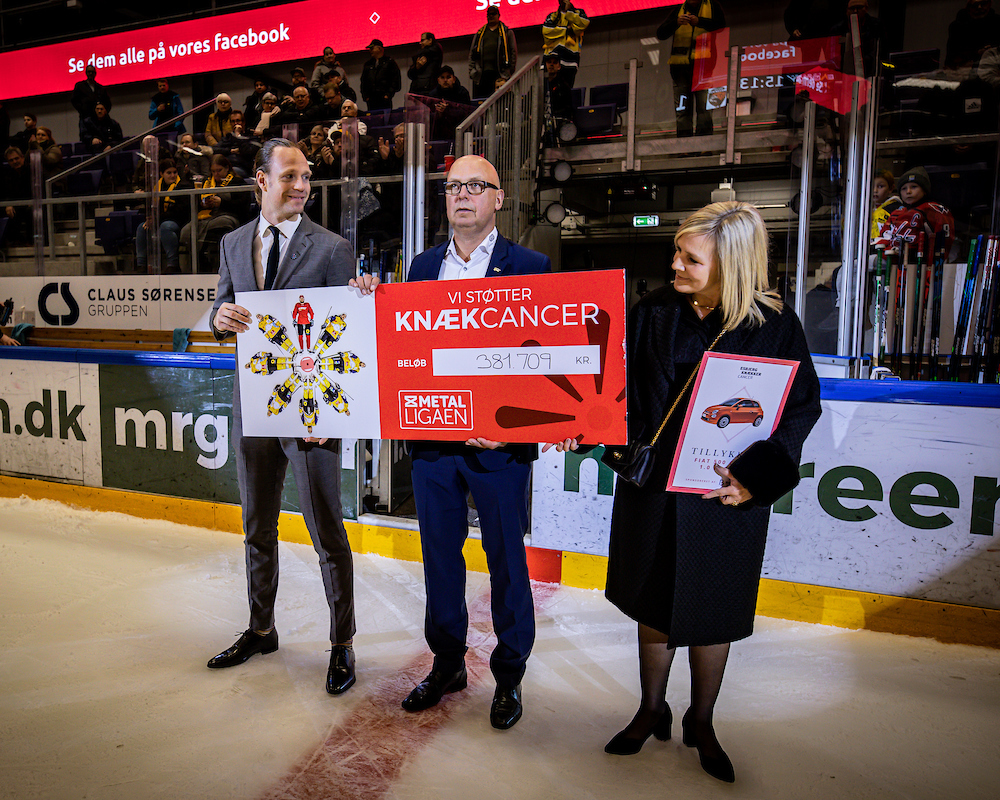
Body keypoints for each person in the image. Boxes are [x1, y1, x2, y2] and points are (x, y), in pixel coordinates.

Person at [550, 202, 820, 783]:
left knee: (713, 611)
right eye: (676, 251)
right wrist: (581, 426)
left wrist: (757, 479)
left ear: (733, 264)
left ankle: (703, 720)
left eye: (689, 258)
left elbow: (801, 409)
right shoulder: (652, 312)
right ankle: (651, 709)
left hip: (727, 498)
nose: (674, 263)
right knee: (653, 602)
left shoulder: (776, 327)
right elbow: (611, 389)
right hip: (655, 490)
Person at [206, 137, 377, 695]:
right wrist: (220, 318)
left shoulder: (332, 248)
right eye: (290, 177)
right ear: (261, 180)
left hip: (310, 415)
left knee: (326, 529)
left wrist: (364, 296)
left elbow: (350, 325)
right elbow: (221, 304)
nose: (302, 186)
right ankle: (261, 628)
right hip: (253, 407)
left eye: (306, 177)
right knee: (257, 525)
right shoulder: (233, 242)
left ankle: (342, 644)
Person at [399, 154, 551, 731]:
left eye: (475, 186)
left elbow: (546, 365)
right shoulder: (420, 267)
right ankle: (447, 663)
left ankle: (509, 674)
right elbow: (403, 349)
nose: (462, 194)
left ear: (498, 198)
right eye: (453, 186)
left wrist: (517, 428)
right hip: (433, 442)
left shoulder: (531, 267)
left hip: (498, 448)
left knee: (507, 562)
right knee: (440, 560)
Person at [657, 0, 726, 137]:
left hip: (704, 69)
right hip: (680, 70)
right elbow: (660, 33)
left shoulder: (712, 6)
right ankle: (684, 147)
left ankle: (704, 146)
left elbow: (721, 26)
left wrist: (699, 21)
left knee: (705, 109)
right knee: (682, 110)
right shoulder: (678, 10)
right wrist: (676, 23)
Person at [180, 154, 243, 272]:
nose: (216, 174)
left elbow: (242, 206)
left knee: (219, 223)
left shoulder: (237, 181)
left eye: (219, 170)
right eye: (213, 171)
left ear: (227, 168)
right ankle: (197, 262)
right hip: (206, 216)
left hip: (228, 215)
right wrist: (203, 204)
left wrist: (222, 203)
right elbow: (195, 204)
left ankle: (206, 262)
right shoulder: (207, 183)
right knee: (186, 230)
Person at [872, 166, 955, 255]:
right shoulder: (897, 213)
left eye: (914, 187)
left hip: (922, 262)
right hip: (894, 259)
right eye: (904, 188)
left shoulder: (934, 211)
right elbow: (885, 238)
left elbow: (943, 243)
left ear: (924, 190)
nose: (908, 191)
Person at [135, 159, 190, 272]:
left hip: (177, 221)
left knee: (166, 227)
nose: (173, 175)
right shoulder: (156, 187)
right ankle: (141, 265)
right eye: (169, 173)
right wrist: (149, 218)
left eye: (174, 172)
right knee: (142, 228)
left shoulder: (182, 185)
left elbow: (180, 212)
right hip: (160, 220)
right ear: (161, 174)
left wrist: (156, 219)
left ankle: (172, 264)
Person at [469, 7, 517, 98]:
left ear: (498, 15)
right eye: (489, 14)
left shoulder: (506, 33)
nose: (491, 16)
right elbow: (472, 54)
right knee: (482, 102)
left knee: (500, 101)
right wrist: (472, 71)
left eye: (493, 14)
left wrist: (509, 71)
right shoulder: (480, 33)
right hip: (482, 74)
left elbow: (513, 52)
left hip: (500, 73)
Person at [946, 0, 1000, 69]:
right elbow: (952, 57)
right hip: (966, 69)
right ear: (968, 7)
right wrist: (976, 53)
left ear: (989, 4)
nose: (979, 7)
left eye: (983, 4)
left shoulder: (997, 21)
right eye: (975, 5)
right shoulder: (957, 26)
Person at [541, 0, 590, 81]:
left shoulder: (579, 13)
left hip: (570, 60)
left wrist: (569, 12)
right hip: (550, 60)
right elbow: (546, 31)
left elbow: (582, 25)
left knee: (565, 90)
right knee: (546, 90)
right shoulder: (552, 16)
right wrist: (567, 30)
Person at [361, 39, 401, 111]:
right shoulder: (368, 64)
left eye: (372, 48)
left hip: (384, 99)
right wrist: (366, 96)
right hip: (371, 100)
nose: (370, 50)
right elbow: (363, 81)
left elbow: (395, 80)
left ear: (379, 48)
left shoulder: (389, 62)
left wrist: (388, 94)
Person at [870, 168, 901, 241]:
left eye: (880, 186)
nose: (875, 190)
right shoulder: (862, 208)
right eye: (871, 186)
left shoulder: (895, 209)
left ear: (891, 188)